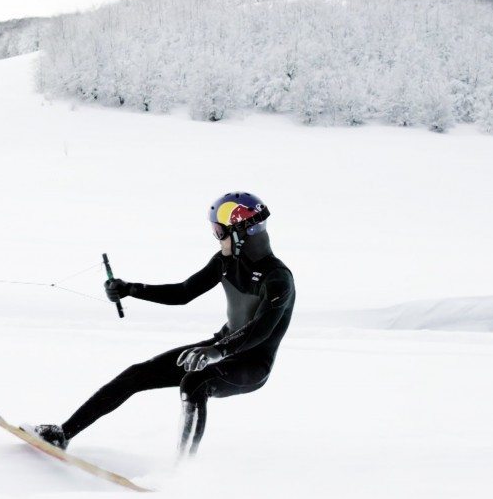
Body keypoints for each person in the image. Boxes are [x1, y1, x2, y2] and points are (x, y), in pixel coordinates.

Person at [32, 192, 296, 457]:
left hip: (252, 364)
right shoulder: (225, 262)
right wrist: (131, 289)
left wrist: (217, 351)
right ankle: (62, 435)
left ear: (242, 232)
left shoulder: (278, 279)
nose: (216, 238)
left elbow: (261, 329)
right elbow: (183, 293)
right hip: (220, 347)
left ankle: (181, 476)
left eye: (219, 232)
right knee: (136, 374)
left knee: (195, 384)